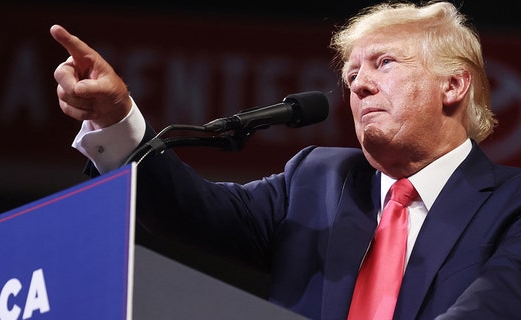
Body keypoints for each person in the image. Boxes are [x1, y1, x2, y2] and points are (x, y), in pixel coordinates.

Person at [51, 1, 521, 319]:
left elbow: (492, 308)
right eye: (352, 73)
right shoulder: (315, 179)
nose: (358, 86)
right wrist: (115, 119)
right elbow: (188, 210)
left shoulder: (510, 204)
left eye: (385, 64)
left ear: (453, 86)